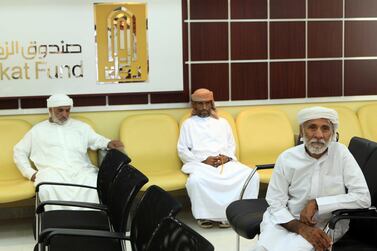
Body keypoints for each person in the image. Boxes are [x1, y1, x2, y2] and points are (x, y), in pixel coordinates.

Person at [253, 106, 371, 251]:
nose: (319, 135)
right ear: (302, 130)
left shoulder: (341, 154)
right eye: (312, 128)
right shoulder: (287, 158)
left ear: (333, 133)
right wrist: (300, 228)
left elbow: (363, 198)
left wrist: (317, 203)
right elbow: (275, 202)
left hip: (327, 224)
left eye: (325, 129)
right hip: (286, 220)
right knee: (262, 248)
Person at [14, 94, 124, 210]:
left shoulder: (81, 127)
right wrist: (29, 173)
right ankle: (58, 223)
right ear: (50, 110)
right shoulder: (37, 130)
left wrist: (108, 143)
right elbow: (19, 151)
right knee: (47, 188)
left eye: (67, 110)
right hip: (52, 173)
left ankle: (91, 221)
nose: (65, 115)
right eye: (60, 111)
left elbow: (95, 139)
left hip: (81, 170)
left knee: (94, 183)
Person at [177, 88, 260, 228]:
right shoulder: (188, 124)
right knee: (196, 181)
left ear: (212, 104)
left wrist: (226, 158)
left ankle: (237, 213)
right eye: (200, 104)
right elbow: (182, 149)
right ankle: (205, 215)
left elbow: (231, 145)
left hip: (224, 162)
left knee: (251, 176)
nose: (204, 107)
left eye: (207, 103)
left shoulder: (222, 122)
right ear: (194, 105)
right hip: (201, 163)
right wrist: (203, 160)